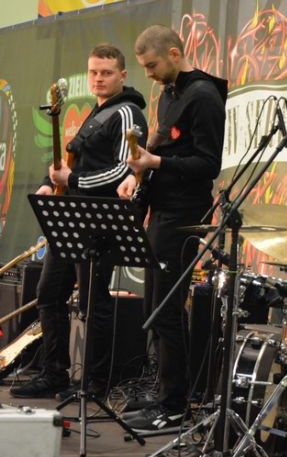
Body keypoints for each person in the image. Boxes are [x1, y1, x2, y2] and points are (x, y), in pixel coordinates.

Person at [11, 44, 148, 399]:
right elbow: (73, 162)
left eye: (106, 73)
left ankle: (94, 385)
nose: (98, 79)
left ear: (123, 75)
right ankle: (54, 373)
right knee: (48, 294)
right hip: (72, 217)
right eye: (93, 72)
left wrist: (70, 179)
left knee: (93, 302)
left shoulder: (128, 113)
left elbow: (123, 170)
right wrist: (49, 181)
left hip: (99, 221)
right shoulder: (96, 112)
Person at [117, 24, 227, 433]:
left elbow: (209, 164)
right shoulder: (169, 94)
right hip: (162, 210)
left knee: (166, 310)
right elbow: (161, 150)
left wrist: (156, 163)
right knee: (154, 308)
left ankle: (175, 405)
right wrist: (136, 176)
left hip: (184, 215)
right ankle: (165, 393)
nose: (148, 74)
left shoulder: (204, 96)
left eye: (152, 65)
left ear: (175, 53)